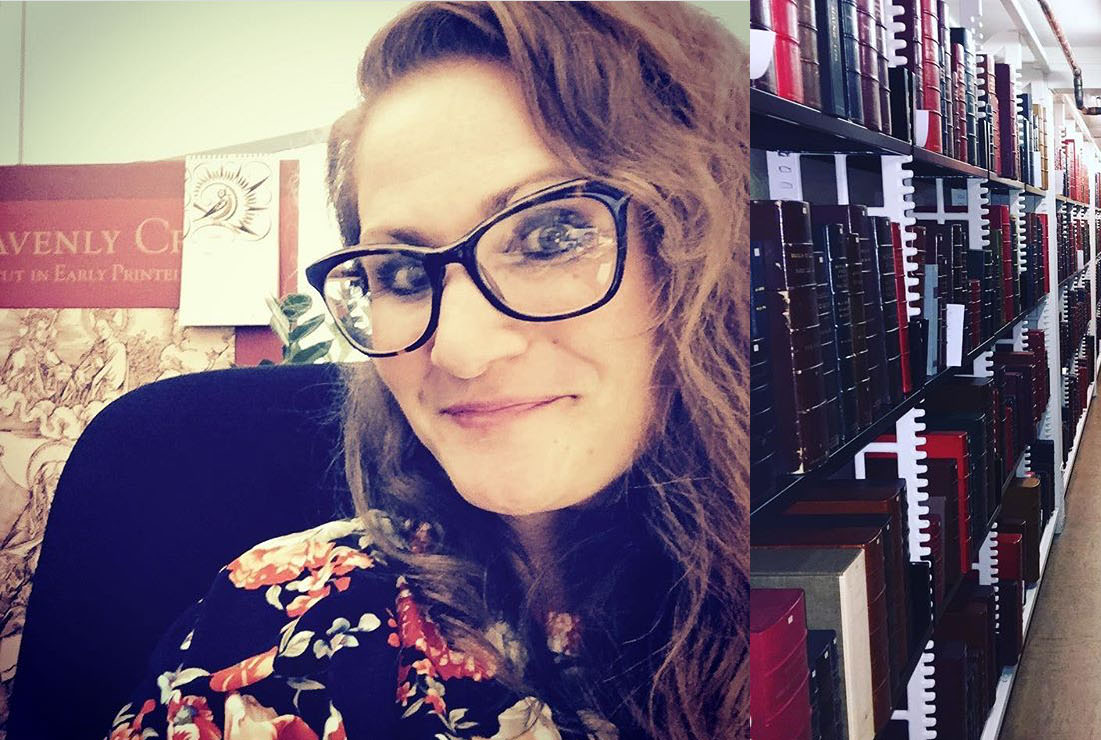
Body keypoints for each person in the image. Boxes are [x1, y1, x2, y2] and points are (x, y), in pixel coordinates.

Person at [106, 4, 755, 738]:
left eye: (551, 236)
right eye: (403, 273)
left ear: (713, 247)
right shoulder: (285, 631)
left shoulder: (826, 600)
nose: (459, 351)